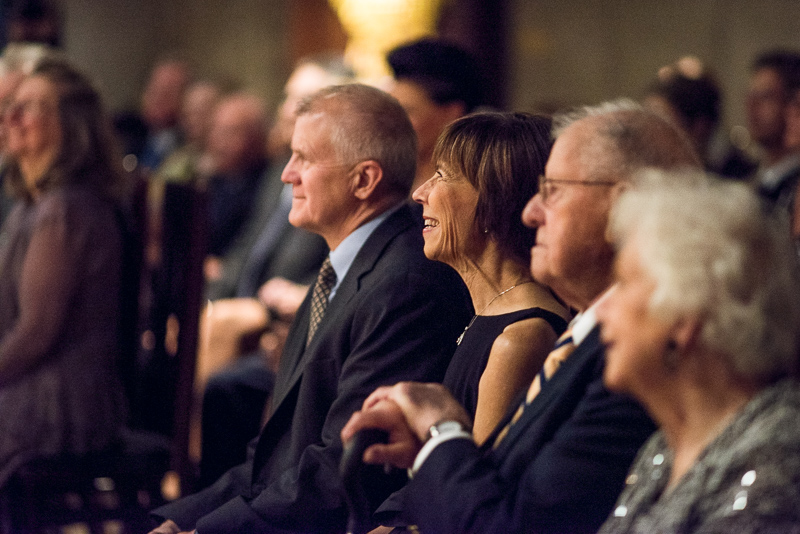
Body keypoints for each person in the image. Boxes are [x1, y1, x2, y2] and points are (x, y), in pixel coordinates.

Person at [343, 100, 699, 534]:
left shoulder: (616, 358)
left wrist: (440, 431)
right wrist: (429, 447)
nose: (532, 211)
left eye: (553, 191)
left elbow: (497, 515)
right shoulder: (572, 336)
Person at [149, 83, 473, 534]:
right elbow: (272, 458)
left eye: (304, 158)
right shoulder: (343, 264)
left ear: (364, 180)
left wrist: (205, 531)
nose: (286, 175)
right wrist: (178, 518)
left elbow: (340, 472)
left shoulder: (404, 285)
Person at [596, 170, 800, 533]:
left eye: (623, 283)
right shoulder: (662, 448)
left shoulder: (778, 456)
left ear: (682, 317)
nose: (601, 309)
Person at [0, 58, 127, 485]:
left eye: (33, 107)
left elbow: (34, 336)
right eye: (13, 104)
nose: (12, 117)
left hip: (61, 401)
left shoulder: (66, 210)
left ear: (73, 127)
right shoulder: (31, 203)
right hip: (32, 383)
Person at [386, 38, 486, 190]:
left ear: (451, 114)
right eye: (389, 110)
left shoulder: (475, 192)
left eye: (406, 111)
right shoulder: (388, 186)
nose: (391, 123)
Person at [643, 56, 756, 180]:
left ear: (700, 127)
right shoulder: (648, 177)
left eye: (661, 122)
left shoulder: (736, 181)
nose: (648, 133)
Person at [746, 49, 800, 210]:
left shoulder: (795, 190)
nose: (751, 107)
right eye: (750, 96)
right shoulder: (752, 178)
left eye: (765, 97)